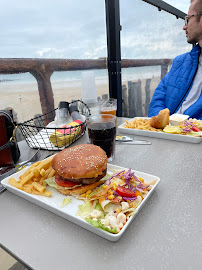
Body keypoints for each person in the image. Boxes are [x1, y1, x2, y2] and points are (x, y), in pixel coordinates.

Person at [148, 0, 202, 120]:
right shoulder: (180, 61)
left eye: (188, 19)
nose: (184, 27)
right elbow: (159, 97)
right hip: (165, 134)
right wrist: (160, 125)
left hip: (192, 136)